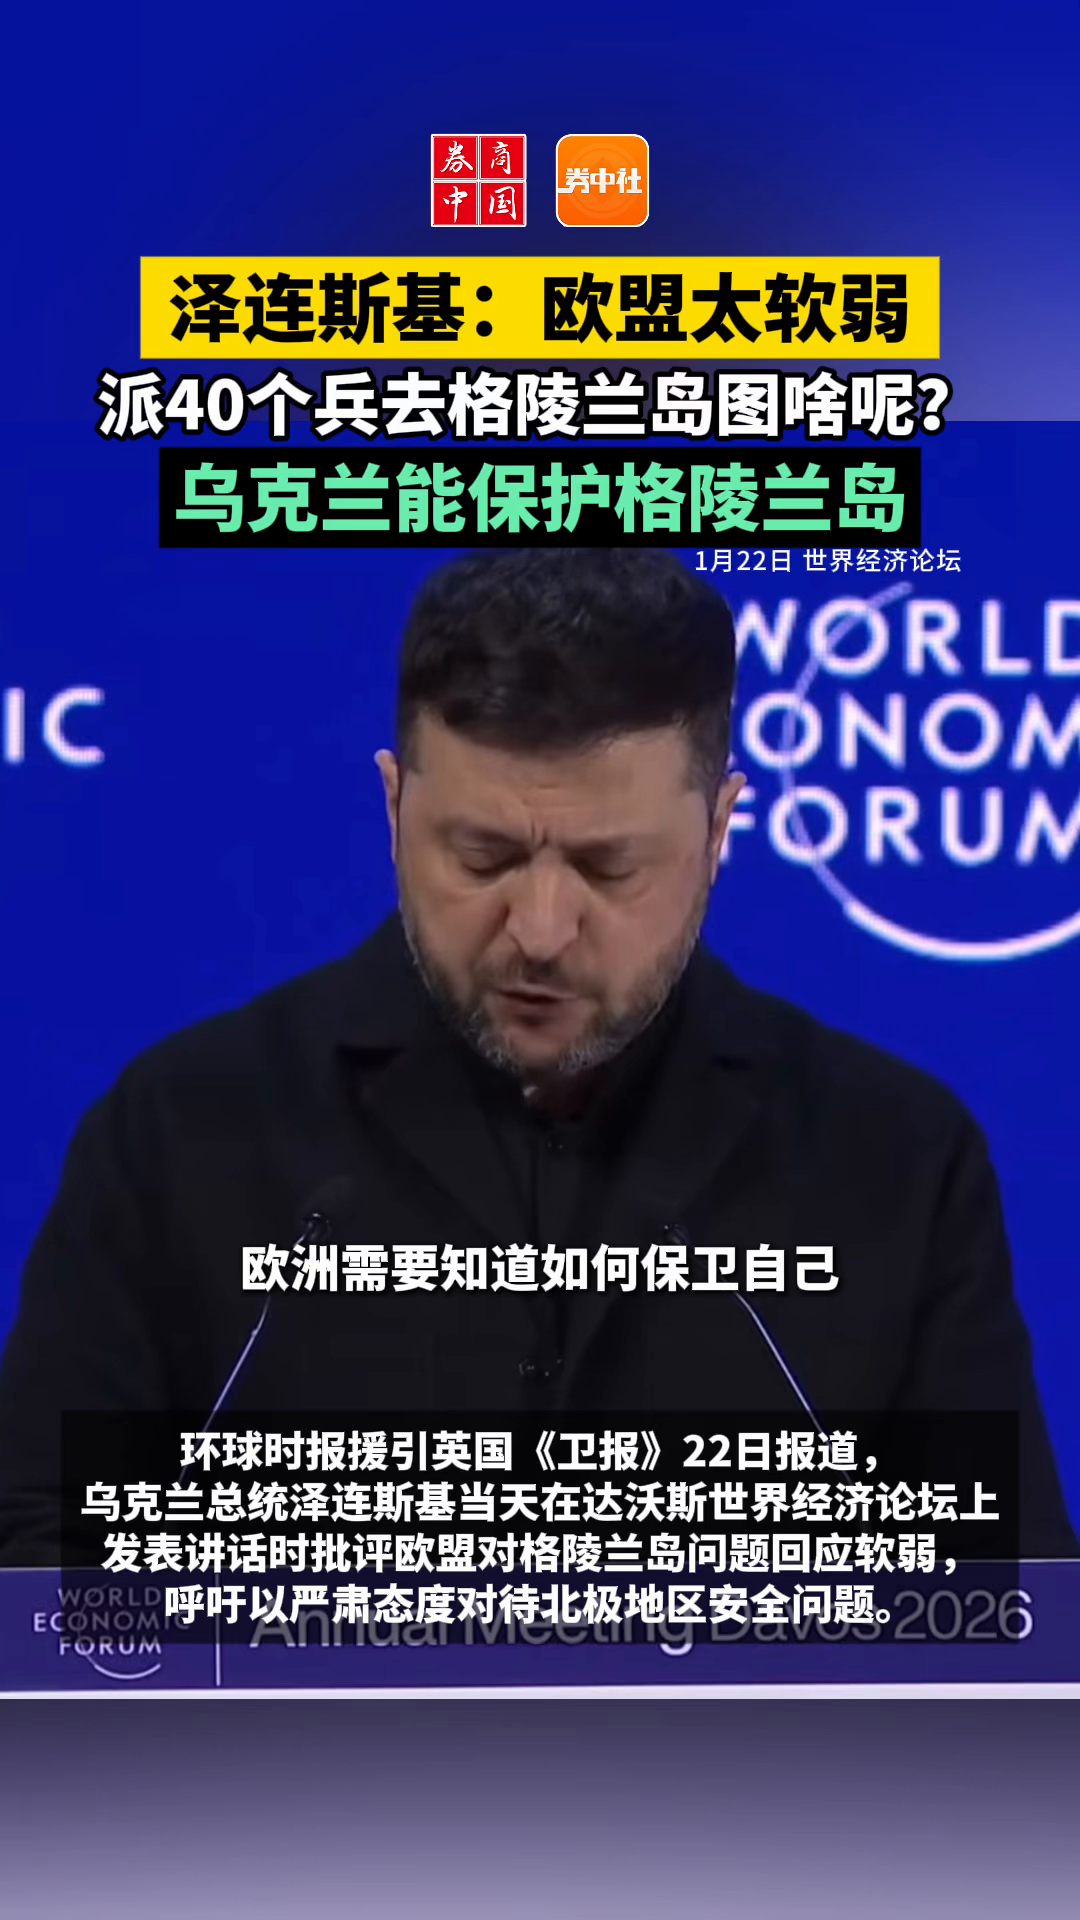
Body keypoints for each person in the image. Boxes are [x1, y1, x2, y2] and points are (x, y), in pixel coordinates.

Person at [0, 548, 1074, 1563]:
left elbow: (1002, 1598)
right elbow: (38, 1556)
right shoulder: (181, 1131)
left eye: (609, 869)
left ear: (719, 832)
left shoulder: (892, 1157)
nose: (541, 930)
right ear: (393, 806)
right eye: (484, 857)